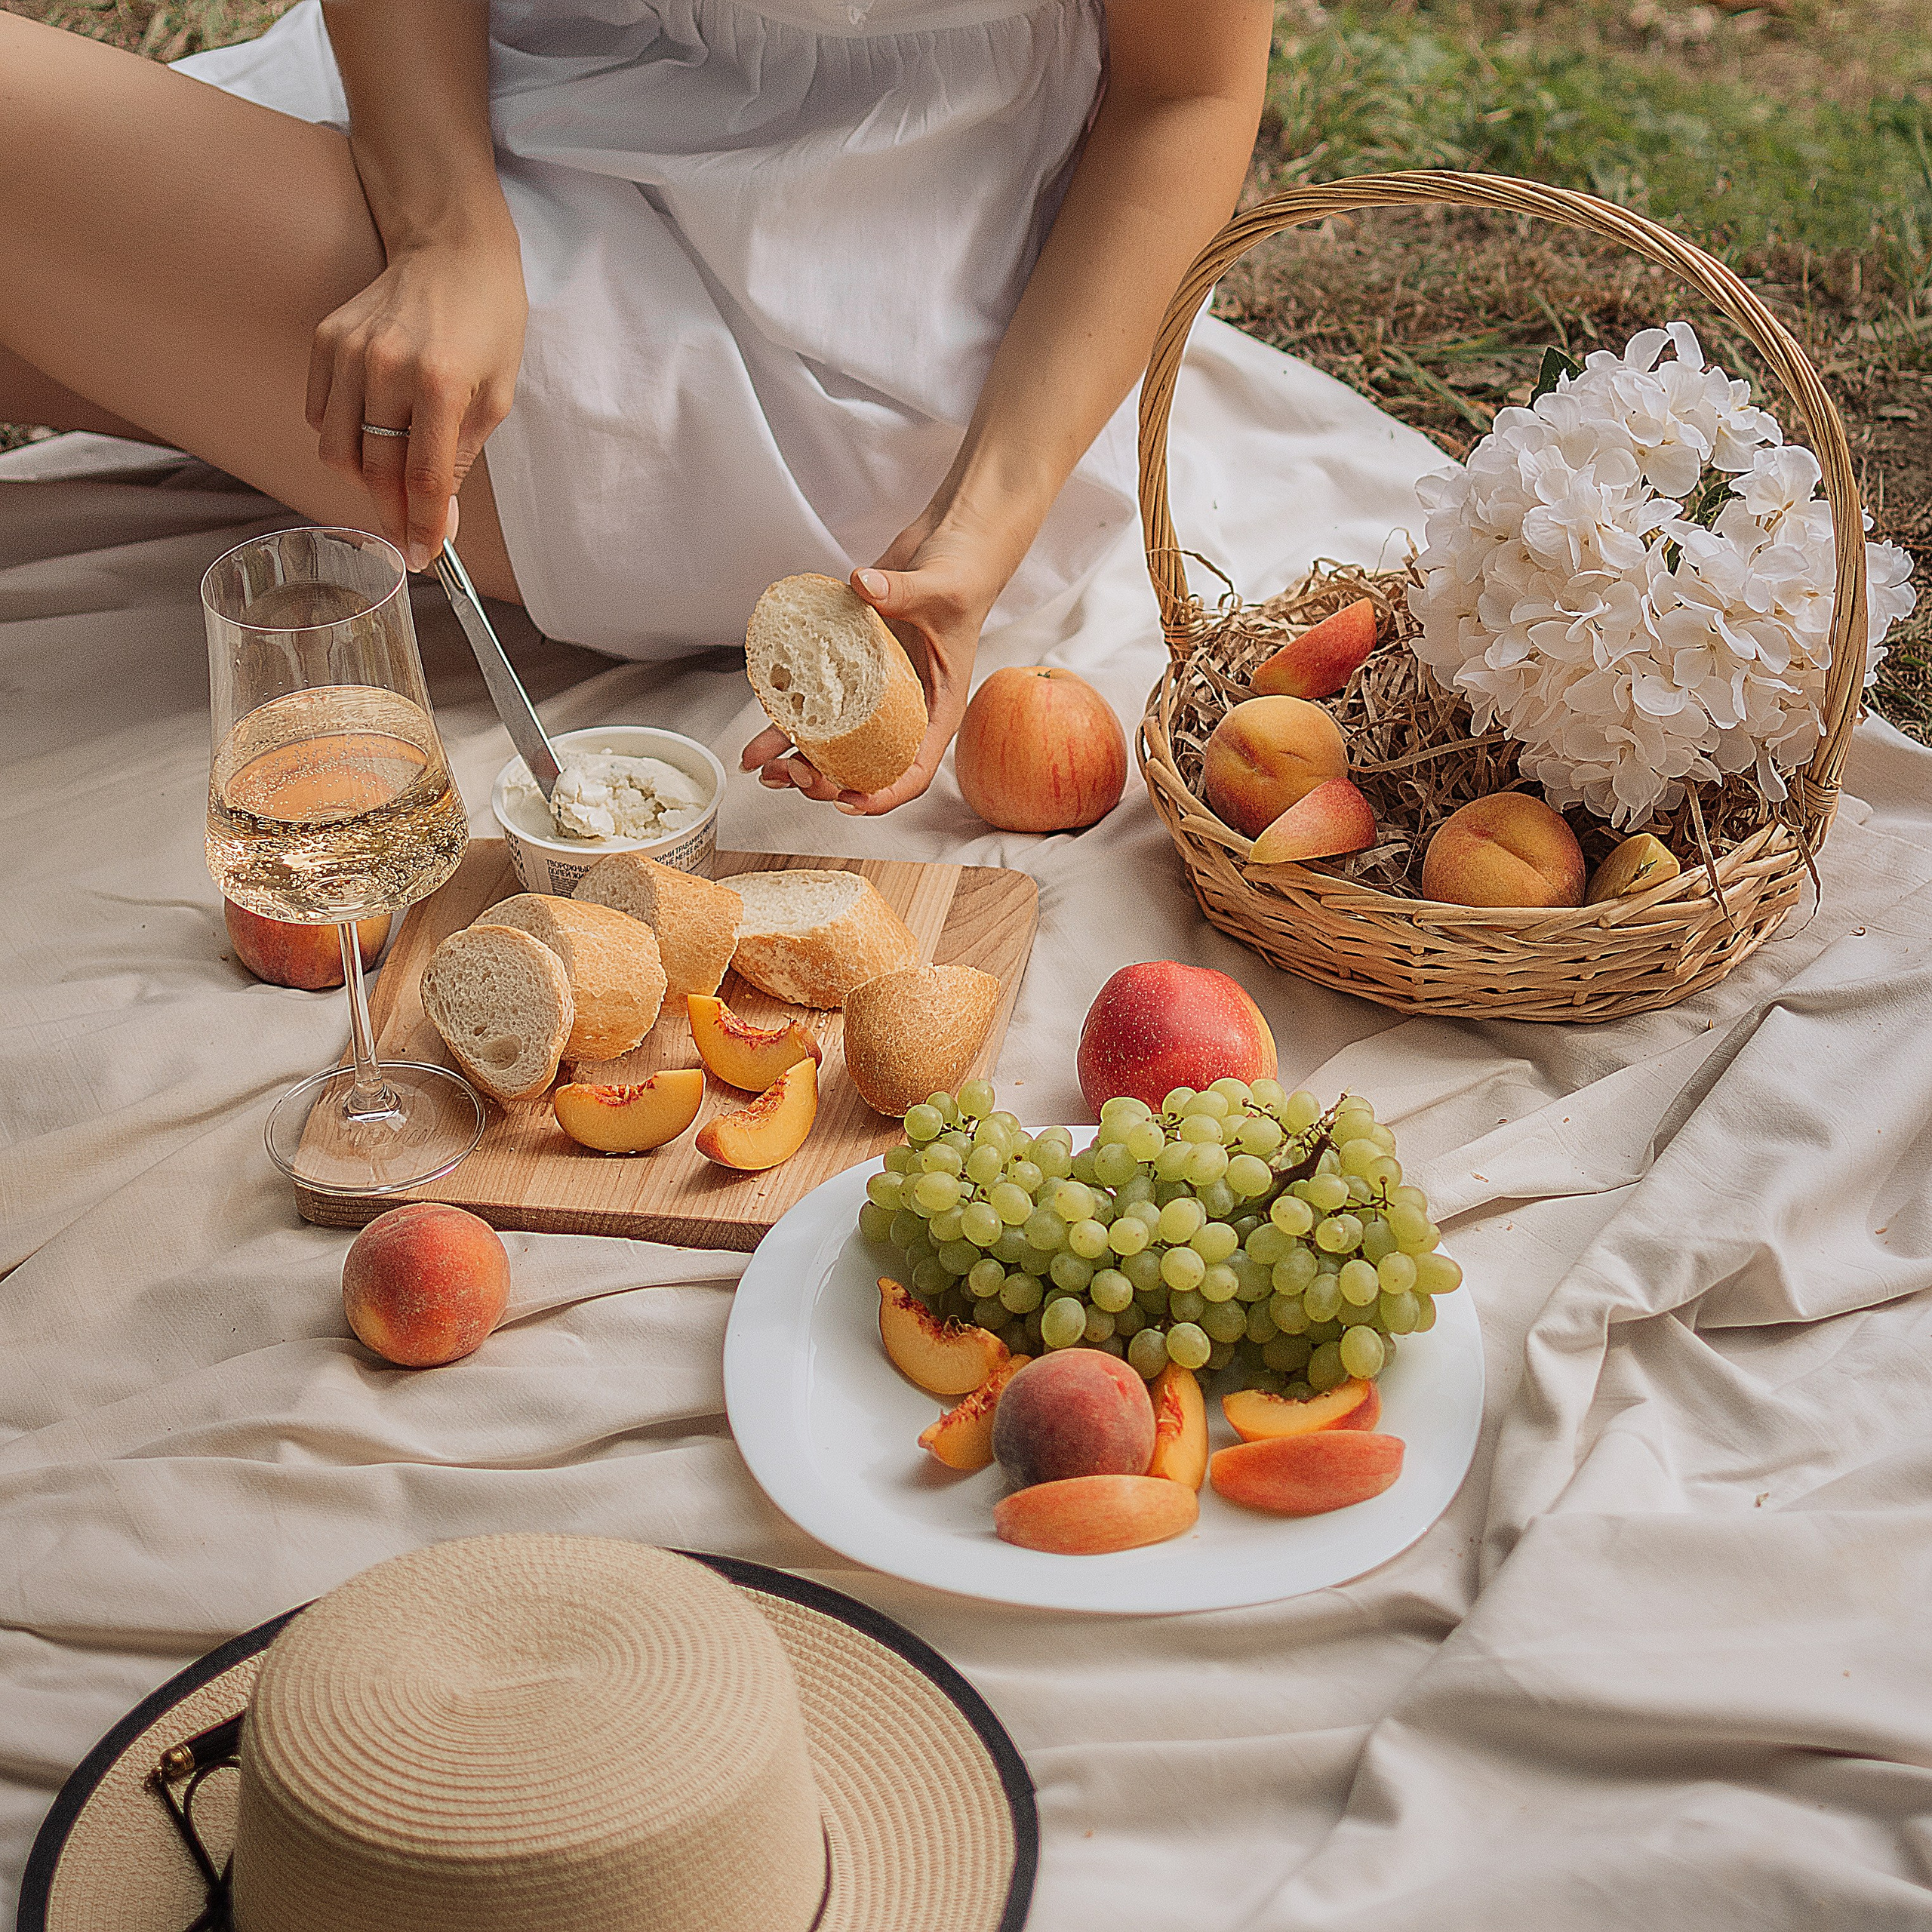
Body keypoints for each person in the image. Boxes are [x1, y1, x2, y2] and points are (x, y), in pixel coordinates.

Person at [0, 0, 1272, 813]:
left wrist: (972, 538)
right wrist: (448, 236)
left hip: (828, 321)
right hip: (481, 91)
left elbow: (1189, 93)